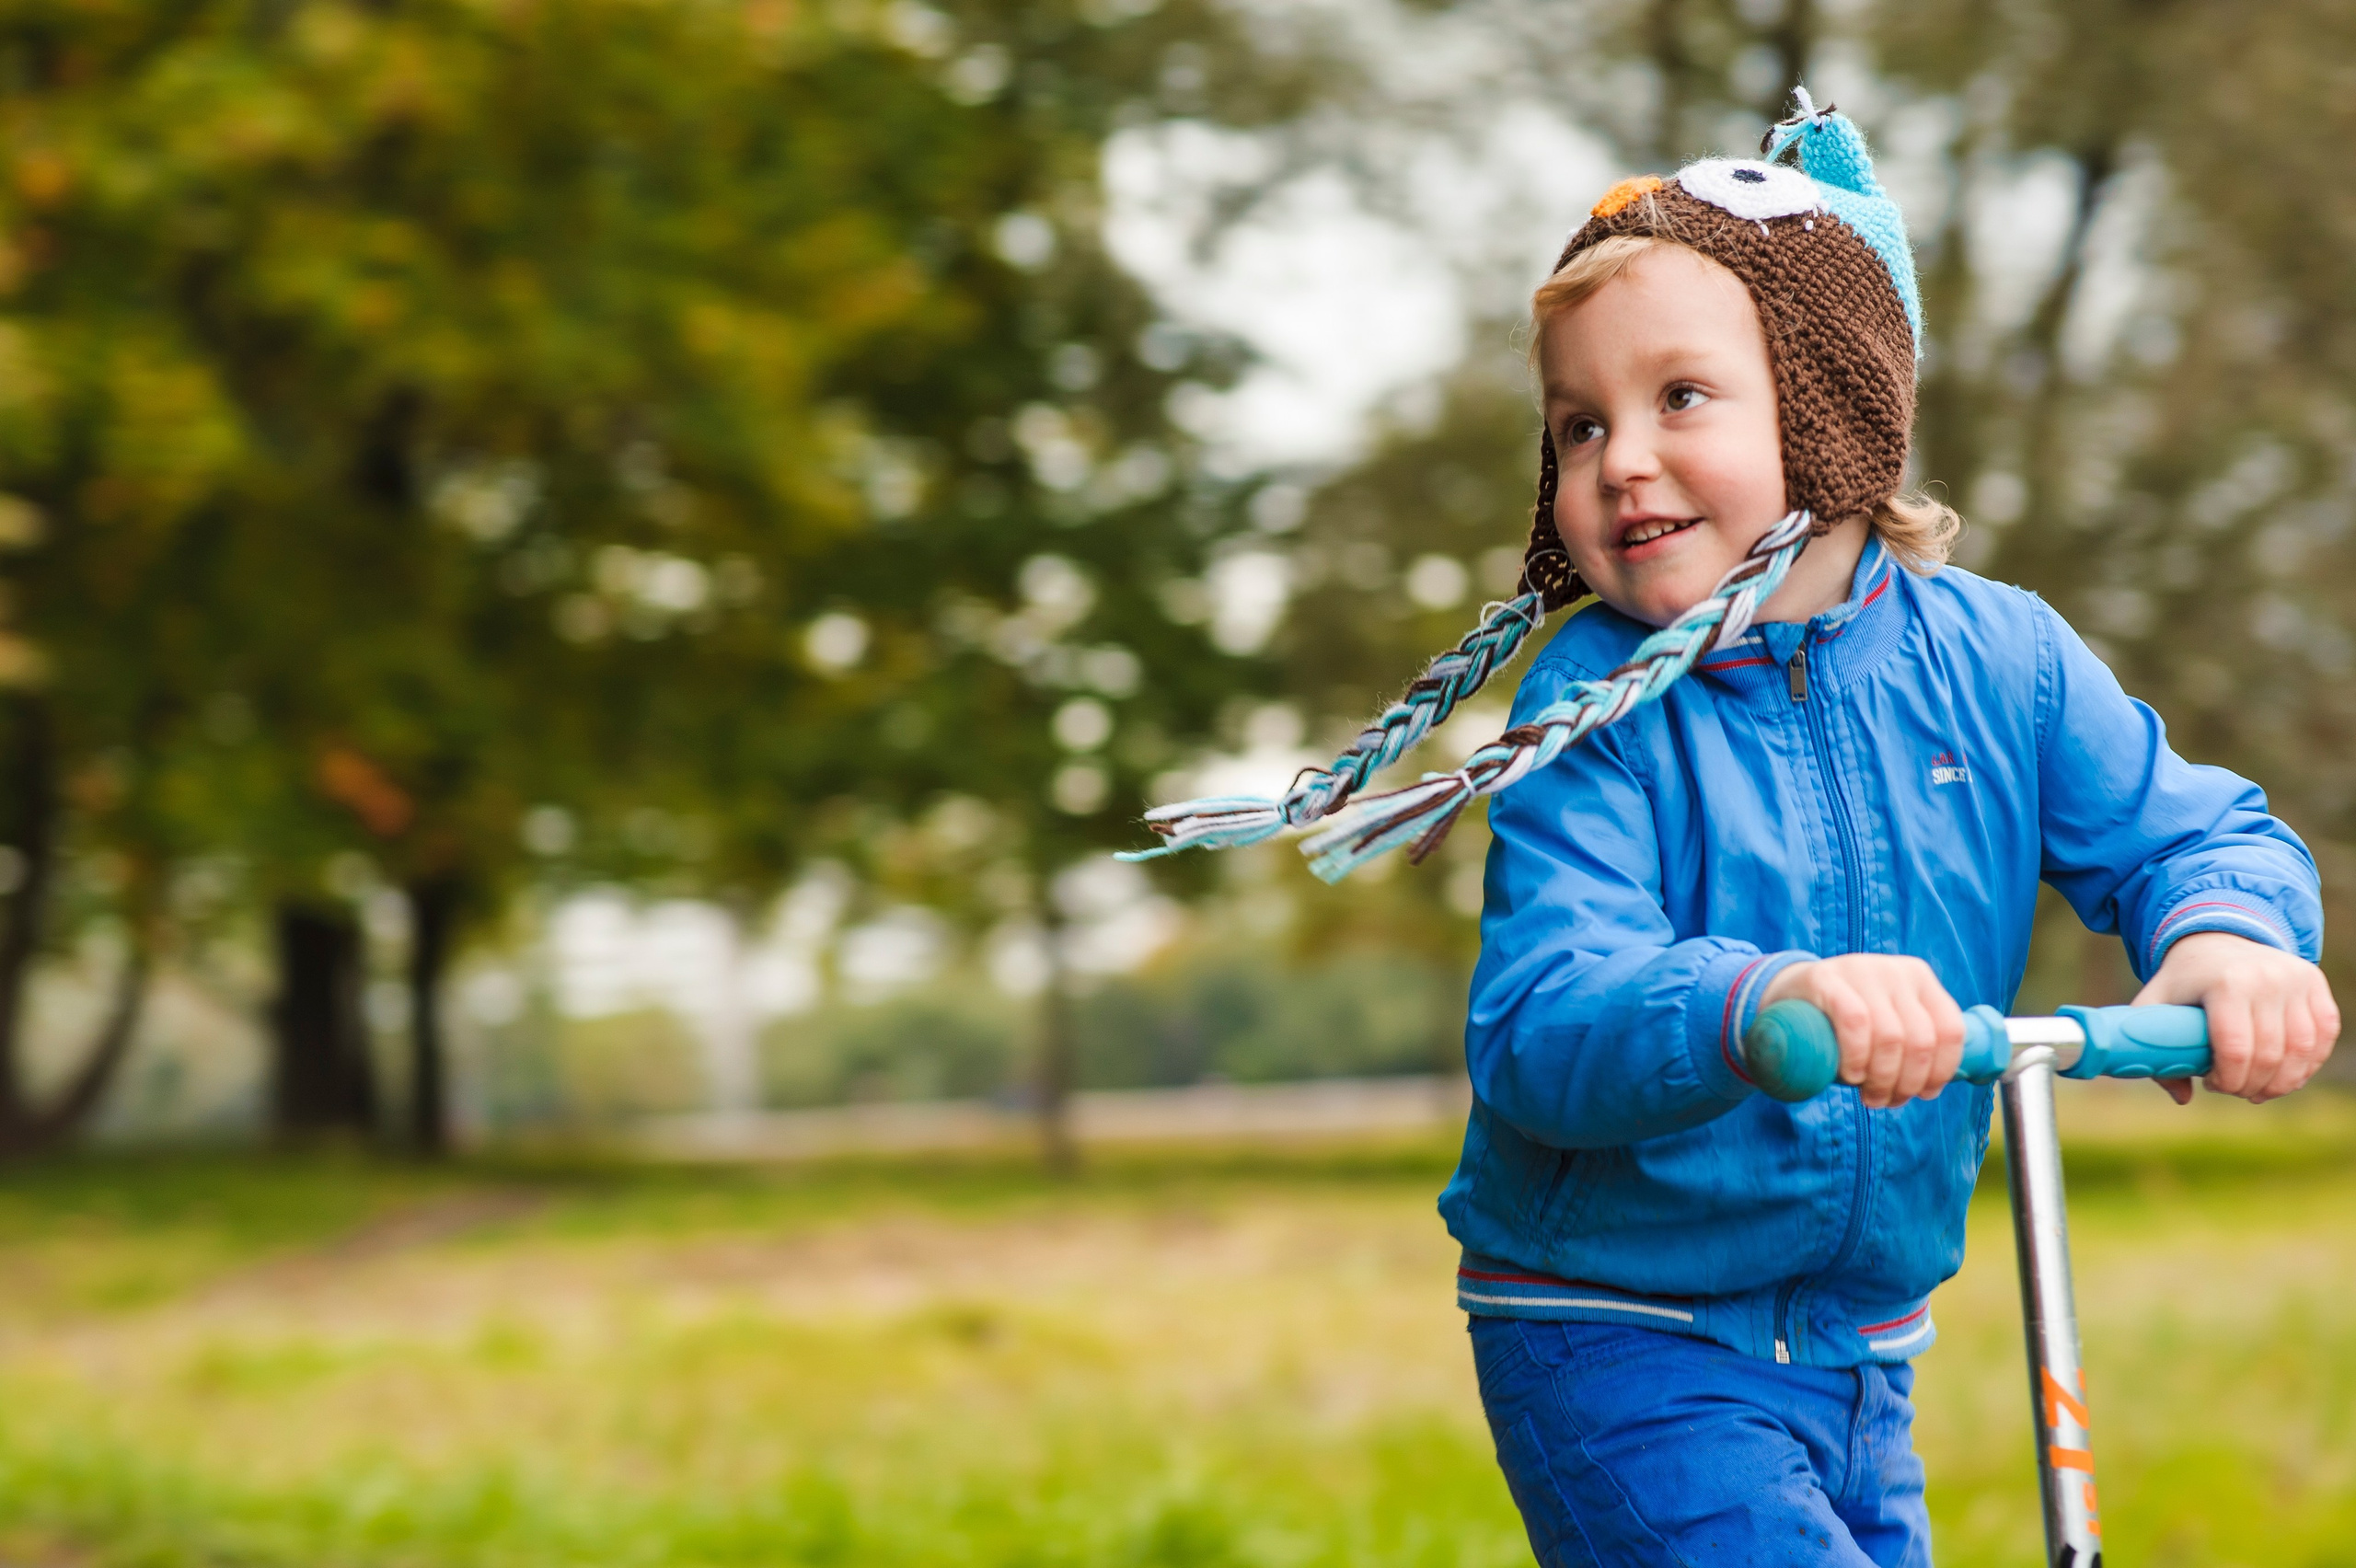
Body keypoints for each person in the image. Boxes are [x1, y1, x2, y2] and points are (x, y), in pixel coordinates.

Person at [1124, 89, 2339, 1563]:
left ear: (1827, 413)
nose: (1617, 459)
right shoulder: (1595, 711)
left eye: (1678, 400)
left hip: (1858, 1351)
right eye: (1579, 426)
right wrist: (1755, 1004)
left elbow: (2187, 830)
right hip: (1619, 1337)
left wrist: (2228, 937)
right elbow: (1545, 1019)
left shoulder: (2002, 663)